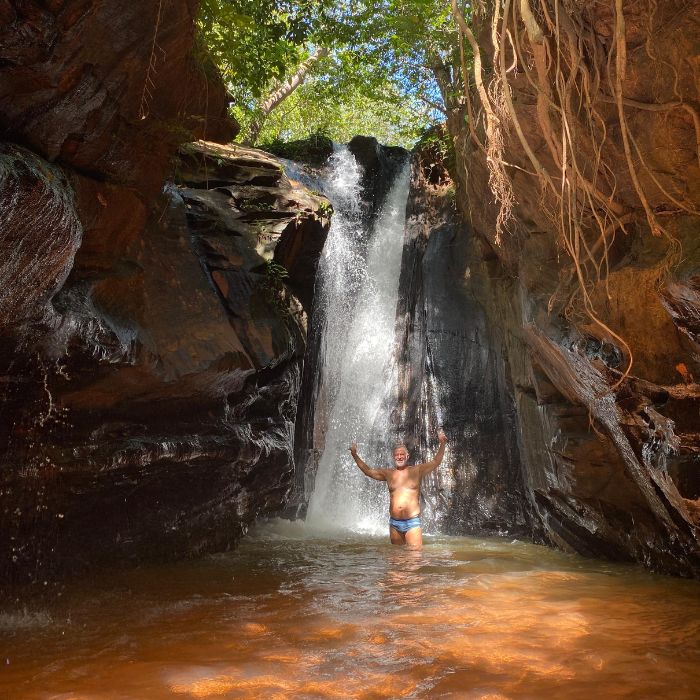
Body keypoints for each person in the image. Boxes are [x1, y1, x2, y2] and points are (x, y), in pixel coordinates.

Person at [349, 430, 448, 549]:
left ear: (407, 456)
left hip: (412, 522)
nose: (399, 457)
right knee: (396, 559)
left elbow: (436, 461)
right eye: (397, 455)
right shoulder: (388, 473)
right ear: (393, 457)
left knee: (414, 557)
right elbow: (368, 471)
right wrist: (354, 454)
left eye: (402, 454)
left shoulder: (417, 470)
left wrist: (442, 443)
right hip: (394, 523)